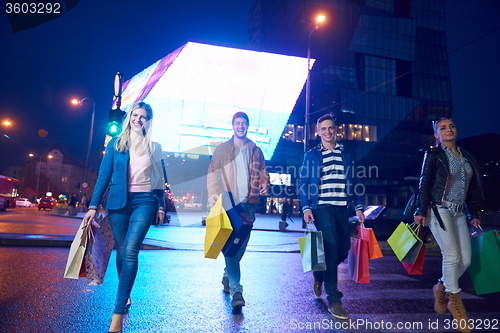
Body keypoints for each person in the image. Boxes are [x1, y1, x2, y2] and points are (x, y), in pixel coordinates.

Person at [82, 101, 165, 333]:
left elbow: (159, 179)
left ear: (149, 121)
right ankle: (125, 294)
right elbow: (103, 175)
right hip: (118, 202)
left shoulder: (155, 147)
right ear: (129, 117)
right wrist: (93, 205)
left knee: (130, 251)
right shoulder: (116, 144)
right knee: (121, 250)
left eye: (144, 116)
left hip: (145, 202)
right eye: (135, 115)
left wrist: (160, 206)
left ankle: (117, 312)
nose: (139, 119)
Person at [414, 118, 485, 333]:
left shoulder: (467, 157)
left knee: (466, 259)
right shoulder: (434, 155)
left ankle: (441, 287)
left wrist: (474, 213)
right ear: (437, 135)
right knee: (452, 256)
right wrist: (420, 209)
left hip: (459, 212)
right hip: (439, 209)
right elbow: (425, 182)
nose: (448, 130)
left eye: (451, 126)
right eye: (442, 128)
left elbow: (471, 189)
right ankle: (456, 304)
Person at [299, 114, 364, 319]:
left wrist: (359, 206)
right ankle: (334, 300)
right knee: (331, 246)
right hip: (322, 207)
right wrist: (306, 207)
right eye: (323, 128)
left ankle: (319, 274)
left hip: (342, 208)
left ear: (336, 129)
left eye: (331, 128)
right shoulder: (311, 155)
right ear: (318, 131)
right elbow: (303, 182)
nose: (327, 132)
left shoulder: (346, 153)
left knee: (343, 250)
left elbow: (354, 180)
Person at [207, 111, 270, 309]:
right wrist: (213, 193)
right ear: (232, 125)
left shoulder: (255, 149)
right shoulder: (222, 149)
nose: (241, 126)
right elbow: (213, 173)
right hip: (229, 202)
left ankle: (228, 273)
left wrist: (265, 183)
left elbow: (263, 171)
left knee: (240, 247)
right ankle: (237, 290)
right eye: (237, 123)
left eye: (244, 123)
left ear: (247, 126)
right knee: (232, 246)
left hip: (249, 203)